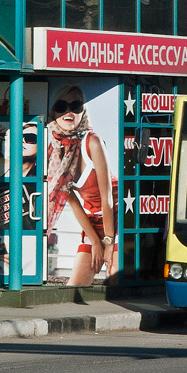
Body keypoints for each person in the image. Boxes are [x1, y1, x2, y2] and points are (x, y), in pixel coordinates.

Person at [45, 85, 117, 286]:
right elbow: (73, 202)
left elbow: (107, 197)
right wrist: (95, 240)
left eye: (76, 106)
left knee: (116, 288)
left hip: (116, 218)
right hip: (93, 222)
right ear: (53, 112)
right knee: (74, 289)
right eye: (61, 106)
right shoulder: (55, 150)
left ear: (83, 111)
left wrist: (108, 243)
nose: (69, 112)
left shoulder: (92, 141)